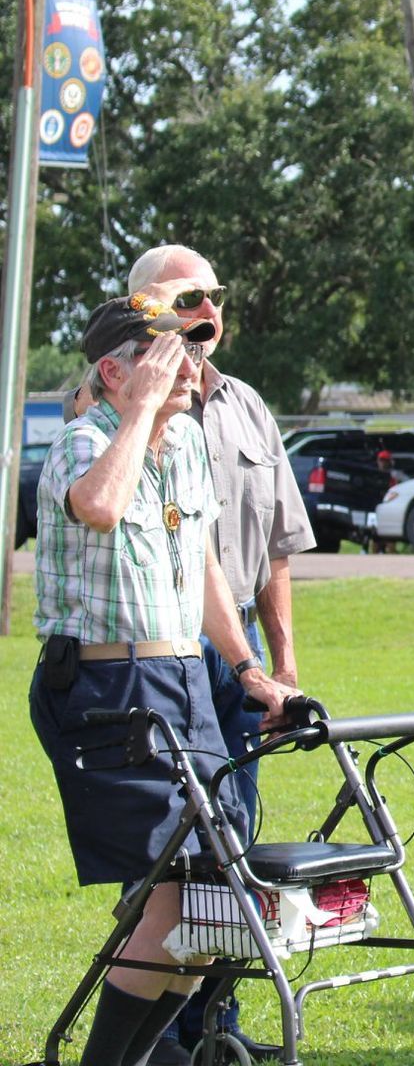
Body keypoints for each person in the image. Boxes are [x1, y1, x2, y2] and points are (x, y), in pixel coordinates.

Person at [29, 296, 298, 1066]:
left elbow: (207, 566)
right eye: (164, 355)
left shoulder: (183, 442)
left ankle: (135, 1060)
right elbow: (101, 507)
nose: (188, 366)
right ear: (114, 371)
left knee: (214, 909)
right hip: (108, 690)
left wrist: (248, 668)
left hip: (183, 677)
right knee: (175, 896)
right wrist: (140, 412)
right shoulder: (85, 443)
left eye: (189, 352)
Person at [127, 245, 317, 1061]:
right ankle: (156, 1029)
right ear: (146, 310)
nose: (207, 311)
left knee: (234, 835)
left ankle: (219, 1025)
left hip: (233, 644)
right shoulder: (114, 400)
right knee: (172, 844)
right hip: (158, 646)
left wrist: (282, 662)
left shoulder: (246, 405)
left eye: (214, 297)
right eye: (187, 299)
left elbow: (275, 544)